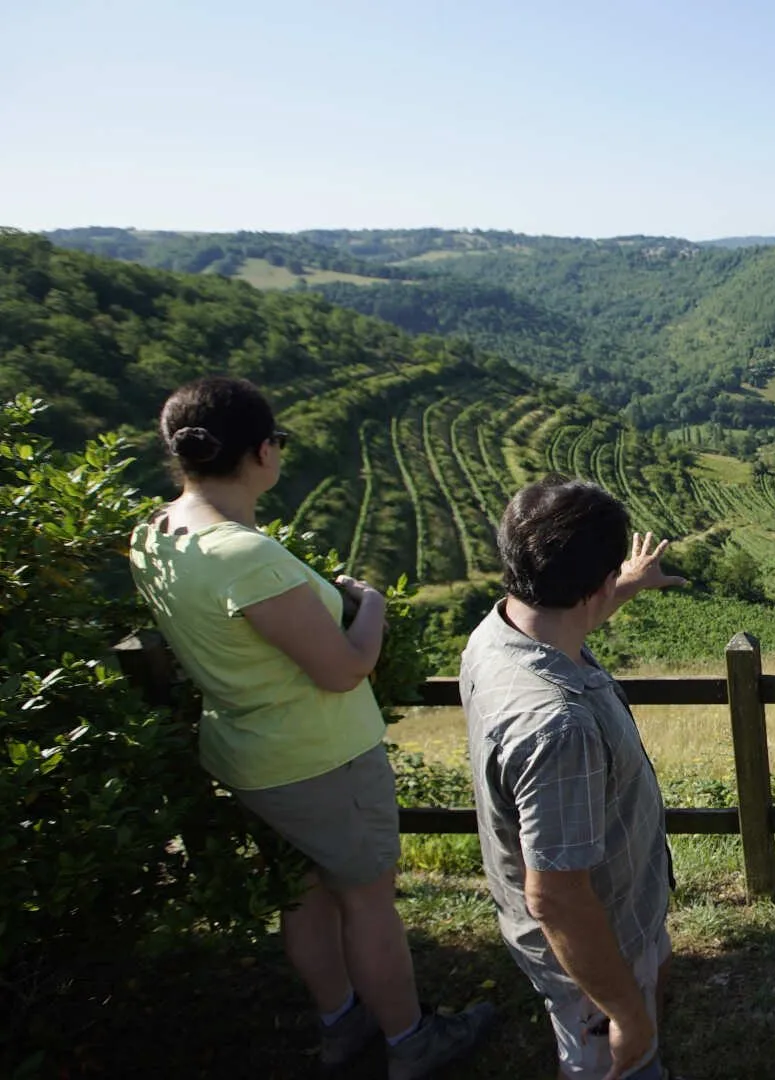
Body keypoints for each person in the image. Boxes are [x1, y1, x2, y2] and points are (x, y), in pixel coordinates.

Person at [127, 376, 494, 1078]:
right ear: (263, 451)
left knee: (302, 895)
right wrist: (373, 606)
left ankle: (340, 1024)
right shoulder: (247, 556)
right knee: (368, 906)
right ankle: (412, 1042)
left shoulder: (156, 535)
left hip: (245, 755)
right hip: (319, 758)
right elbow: (344, 668)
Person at [461, 477, 686, 1080]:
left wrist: (624, 583)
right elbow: (557, 898)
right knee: (617, 1062)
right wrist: (626, 1014)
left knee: (649, 987)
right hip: (596, 949)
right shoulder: (557, 727)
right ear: (595, 586)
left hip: (624, 913)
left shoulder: (499, 633)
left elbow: (569, 619)